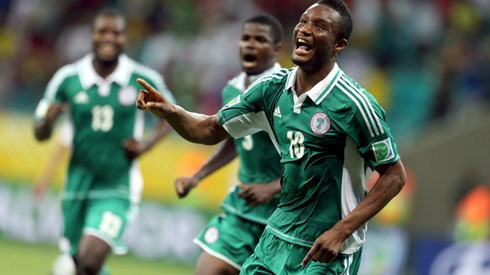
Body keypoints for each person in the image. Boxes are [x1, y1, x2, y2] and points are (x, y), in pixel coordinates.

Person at [137, 1, 406, 274]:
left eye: (320, 26)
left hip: (326, 249)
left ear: (339, 45)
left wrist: (341, 231)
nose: (305, 30)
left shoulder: (355, 104)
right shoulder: (272, 89)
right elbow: (209, 129)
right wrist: (171, 112)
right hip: (276, 238)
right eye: (303, 22)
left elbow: (394, 176)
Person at [33, 9, 175, 275]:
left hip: (117, 185)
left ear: (125, 38)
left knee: (89, 259)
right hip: (77, 185)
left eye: (116, 33)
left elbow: (173, 115)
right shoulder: (68, 79)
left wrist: (146, 145)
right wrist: (47, 122)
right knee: (80, 264)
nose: (109, 38)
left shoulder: (142, 78)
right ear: (92, 36)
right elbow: (38, 132)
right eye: (102, 32)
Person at [174, 14, 284, 275]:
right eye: (246, 38)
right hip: (243, 207)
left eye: (260, 39)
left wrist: (271, 188)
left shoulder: (286, 92)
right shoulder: (232, 90)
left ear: (277, 48)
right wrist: (198, 176)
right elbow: (234, 139)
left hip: (283, 216)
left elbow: (310, 156)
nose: (250, 45)